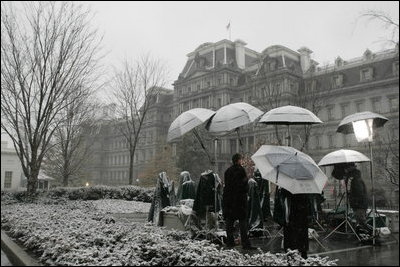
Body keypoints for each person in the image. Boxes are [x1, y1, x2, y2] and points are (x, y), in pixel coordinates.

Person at [223, 153, 256, 250]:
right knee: (242, 222)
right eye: (241, 159)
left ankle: (230, 242)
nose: (242, 161)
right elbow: (244, 187)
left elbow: (227, 186)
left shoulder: (227, 171)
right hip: (240, 201)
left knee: (229, 221)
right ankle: (245, 243)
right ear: (238, 160)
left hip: (229, 200)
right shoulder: (241, 170)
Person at [279, 188, 309, 259]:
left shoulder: (287, 190)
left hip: (294, 218)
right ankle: (302, 254)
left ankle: (297, 255)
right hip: (299, 218)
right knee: (300, 238)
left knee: (293, 239)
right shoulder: (303, 189)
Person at [346, 163, 369, 230]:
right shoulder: (355, 178)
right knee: (359, 220)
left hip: (359, 205)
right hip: (359, 204)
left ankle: (366, 234)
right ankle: (361, 234)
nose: (346, 170)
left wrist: (355, 202)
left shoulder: (356, 179)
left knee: (361, 220)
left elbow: (359, 192)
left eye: (348, 168)